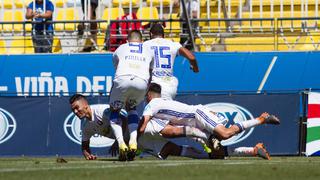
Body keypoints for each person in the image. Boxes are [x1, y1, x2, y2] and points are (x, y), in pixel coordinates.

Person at [138, 83, 280, 154]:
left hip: (198, 115)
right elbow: (172, 129)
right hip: (196, 122)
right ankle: (253, 150)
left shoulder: (153, 104)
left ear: (149, 95)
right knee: (218, 153)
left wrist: (133, 141)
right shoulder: (161, 105)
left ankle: (261, 119)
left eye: (146, 95)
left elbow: (143, 125)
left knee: (225, 133)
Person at [109, 30, 154, 160]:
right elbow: (150, 72)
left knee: (115, 110)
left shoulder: (121, 48)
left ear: (127, 40)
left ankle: (121, 143)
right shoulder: (148, 50)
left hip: (123, 79)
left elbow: (117, 67)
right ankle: (133, 141)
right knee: (132, 108)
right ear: (141, 41)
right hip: (142, 82)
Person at [143, 23, 199, 100]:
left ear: (151, 34)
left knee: (151, 110)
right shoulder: (173, 44)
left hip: (154, 86)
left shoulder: (145, 45)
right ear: (163, 35)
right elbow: (192, 58)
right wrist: (195, 69)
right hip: (169, 85)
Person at [69, 94, 129, 161]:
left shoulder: (101, 111)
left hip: (139, 135)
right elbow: (84, 145)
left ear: (85, 105)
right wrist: (88, 155)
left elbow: (124, 121)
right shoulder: (86, 127)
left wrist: (118, 142)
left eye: (77, 107)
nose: (75, 112)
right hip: (129, 143)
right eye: (73, 110)